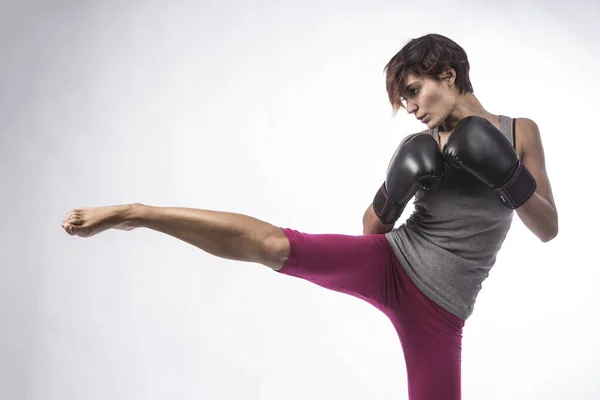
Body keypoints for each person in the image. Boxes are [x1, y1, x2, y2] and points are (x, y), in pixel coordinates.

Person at [61, 33, 558, 400]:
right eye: (402, 99)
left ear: (448, 76)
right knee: (277, 246)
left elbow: (548, 228)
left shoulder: (519, 132)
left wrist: (508, 176)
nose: (409, 107)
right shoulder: (422, 145)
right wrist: (398, 184)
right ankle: (140, 213)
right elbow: (370, 229)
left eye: (413, 90)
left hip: (444, 310)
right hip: (393, 263)